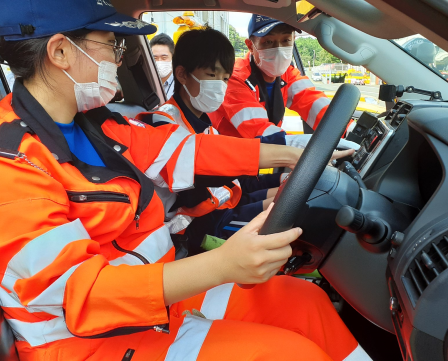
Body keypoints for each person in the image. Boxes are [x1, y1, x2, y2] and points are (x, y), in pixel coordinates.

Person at [0, 1, 416, 361]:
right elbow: (82, 293)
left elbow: (191, 150)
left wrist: (299, 152)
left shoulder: (94, 126)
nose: (119, 58)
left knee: (303, 301)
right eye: (110, 45)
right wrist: (224, 264)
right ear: (60, 51)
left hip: (154, 310)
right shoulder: (2, 168)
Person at [138, 28, 353, 250]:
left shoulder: (201, 123)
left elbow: (233, 180)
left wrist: (289, 179)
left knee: (310, 196)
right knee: (307, 216)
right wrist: (297, 156)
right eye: (212, 76)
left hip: (224, 205)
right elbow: (208, 166)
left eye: (224, 78)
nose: (220, 86)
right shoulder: (164, 124)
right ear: (182, 74)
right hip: (197, 227)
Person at [210, 14, 359, 152]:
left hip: (258, 158)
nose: (279, 50)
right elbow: (260, 133)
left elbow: (314, 103)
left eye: (286, 40)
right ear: (250, 46)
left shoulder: (287, 73)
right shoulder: (234, 78)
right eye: (268, 42)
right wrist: (312, 147)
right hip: (227, 160)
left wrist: (351, 130)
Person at [150, 33, 175, 100]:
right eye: (155, 58)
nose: (159, 61)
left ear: (173, 58)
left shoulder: (181, 85)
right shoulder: (147, 82)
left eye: (164, 58)